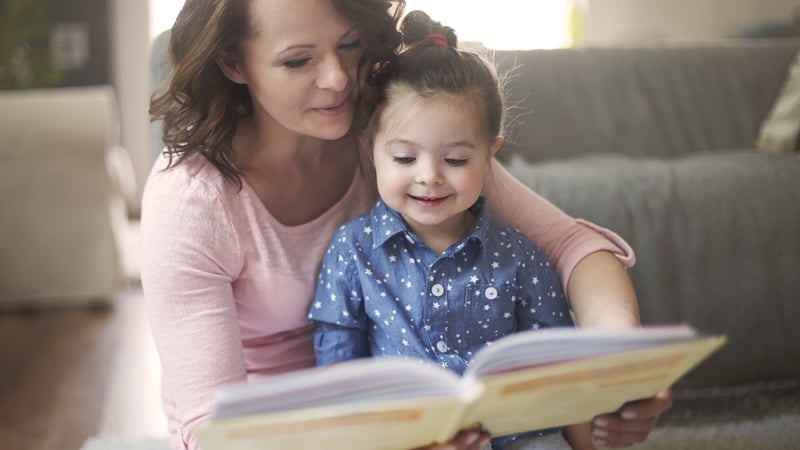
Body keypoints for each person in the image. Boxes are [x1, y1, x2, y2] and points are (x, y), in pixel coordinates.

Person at [141, 0, 672, 449]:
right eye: (298, 60)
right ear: (234, 63)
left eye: (349, 45)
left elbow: (571, 245)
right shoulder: (192, 201)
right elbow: (212, 428)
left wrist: (617, 362)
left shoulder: (398, 138)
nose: (338, 78)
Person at [308, 11, 578, 449]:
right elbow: (339, 366)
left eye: (454, 160)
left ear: (490, 155)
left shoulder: (520, 256)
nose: (429, 176)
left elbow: (556, 361)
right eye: (404, 159)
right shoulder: (352, 250)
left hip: (512, 434)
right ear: (370, 148)